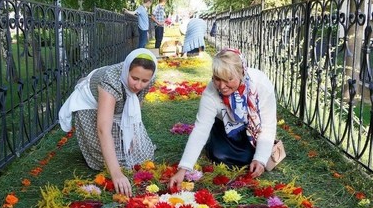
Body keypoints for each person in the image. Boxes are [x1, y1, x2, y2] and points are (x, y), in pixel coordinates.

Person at [169, 48, 277, 189]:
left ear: (241, 73)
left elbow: (268, 126)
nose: (222, 86)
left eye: (229, 79)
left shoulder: (261, 85)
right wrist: (184, 168)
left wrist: (260, 159)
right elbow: (201, 129)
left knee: (250, 159)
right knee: (218, 154)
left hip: (253, 127)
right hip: (224, 125)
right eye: (217, 79)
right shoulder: (211, 92)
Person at [59, 48, 158, 196]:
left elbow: (135, 109)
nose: (138, 86)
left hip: (117, 104)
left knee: (141, 153)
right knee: (103, 161)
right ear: (126, 70)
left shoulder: (149, 80)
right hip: (90, 105)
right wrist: (116, 173)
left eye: (144, 81)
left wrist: (132, 137)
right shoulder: (110, 80)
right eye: (134, 78)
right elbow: (103, 129)